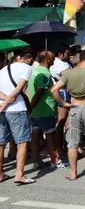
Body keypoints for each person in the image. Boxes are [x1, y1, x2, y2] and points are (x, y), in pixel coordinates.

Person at [51, 49, 85, 181]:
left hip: (74, 107)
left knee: (72, 142)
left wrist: (63, 103)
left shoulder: (69, 73)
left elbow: (54, 90)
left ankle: (73, 173)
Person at [0, 49, 36, 185]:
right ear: (29, 59)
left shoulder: (4, 69)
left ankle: (0, 174)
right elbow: (20, 87)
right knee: (22, 142)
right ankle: (19, 174)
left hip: (1, 108)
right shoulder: (27, 68)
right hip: (17, 109)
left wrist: (4, 101)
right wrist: (10, 99)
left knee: (1, 142)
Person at [28, 50, 66, 170]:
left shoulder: (34, 70)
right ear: (47, 59)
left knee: (35, 135)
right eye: (53, 57)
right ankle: (55, 161)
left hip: (35, 111)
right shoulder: (44, 73)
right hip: (44, 110)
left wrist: (30, 107)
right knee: (50, 135)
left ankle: (36, 161)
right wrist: (32, 105)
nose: (54, 60)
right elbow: (39, 92)